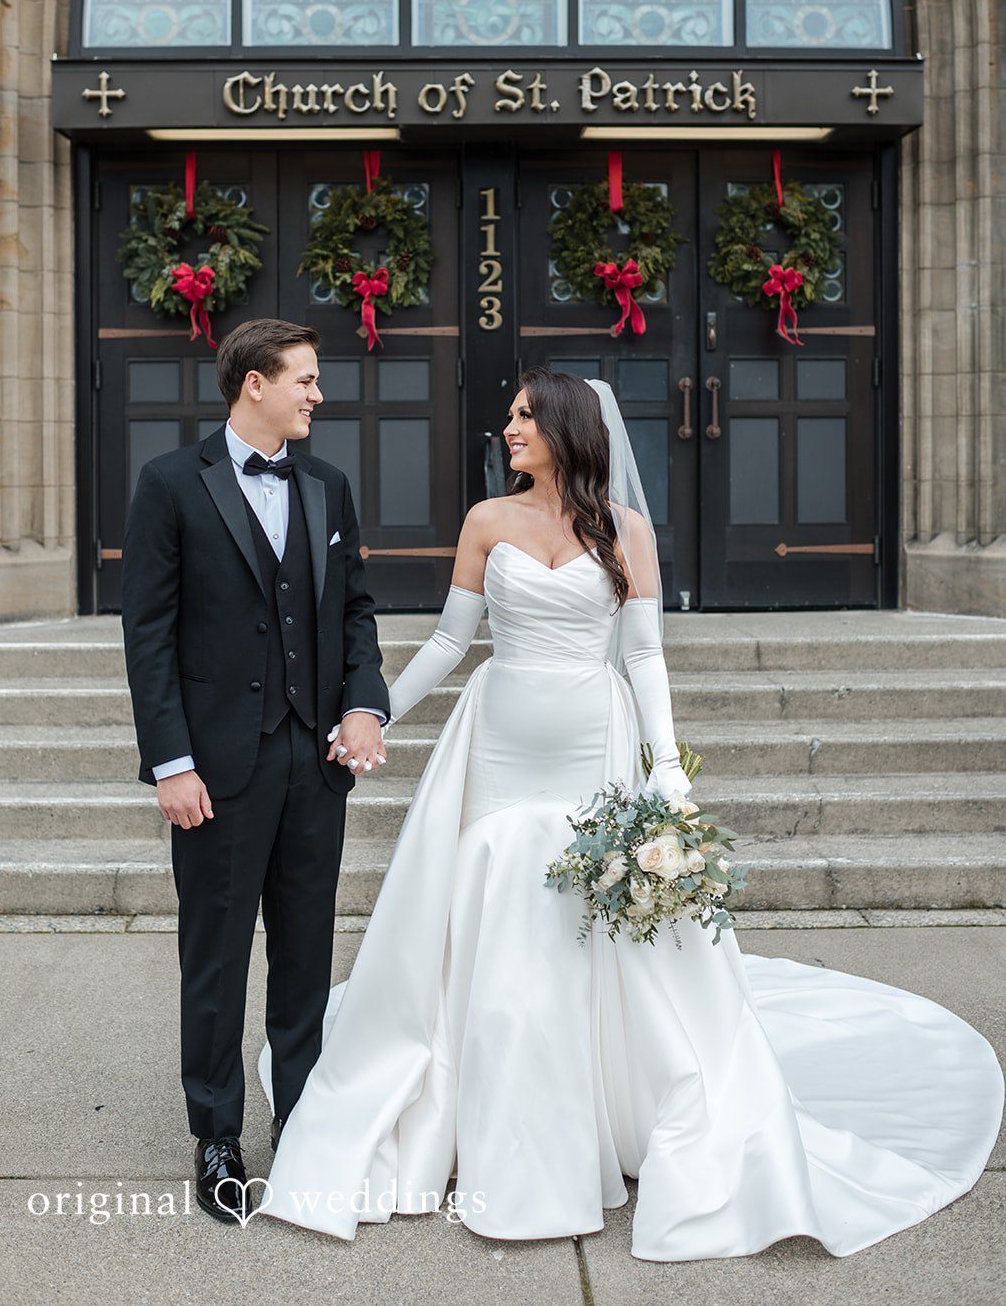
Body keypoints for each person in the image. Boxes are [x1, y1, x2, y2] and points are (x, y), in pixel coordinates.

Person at [257, 366, 1003, 1259]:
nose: (509, 430)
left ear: (568, 428)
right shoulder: (486, 522)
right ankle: (486, 1109)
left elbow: (644, 658)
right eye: (510, 418)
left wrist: (664, 768)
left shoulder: (628, 531)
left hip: (590, 744)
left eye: (524, 417)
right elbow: (454, 640)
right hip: (498, 742)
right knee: (495, 905)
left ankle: (601, 1107)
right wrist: (375, 716)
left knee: (580, 917)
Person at [121, 318, 389, 1223]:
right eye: (305, 380)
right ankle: (217, 1135)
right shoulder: (168, 485)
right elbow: (148, 636)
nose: (319, 395)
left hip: (313, 761)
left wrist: (364, 703)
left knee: (307, 953)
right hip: (215, 766)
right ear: (254, 386)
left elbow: (355, 611)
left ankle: (305, 1120)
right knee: (216, 955)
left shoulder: (326, 484)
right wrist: (171, 763)